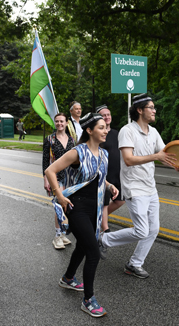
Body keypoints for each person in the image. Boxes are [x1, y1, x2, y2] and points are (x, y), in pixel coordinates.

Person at [98, 94, 179, 279]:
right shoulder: (127, 131)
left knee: (153, 230)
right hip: (134, 188)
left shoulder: (153, 132)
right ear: (139, 110)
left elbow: (164, 153)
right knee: (141, 230)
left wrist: (176, 164)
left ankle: (134, 264)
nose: (154, 111)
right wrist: (156, 157)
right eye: (151, 107)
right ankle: (103, 239)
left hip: (150, 187)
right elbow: (128, 160)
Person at [44, 112, 118, 318]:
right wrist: (59, 195)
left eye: (106, 127)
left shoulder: (104, 154)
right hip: (76, 207)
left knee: (83, 246)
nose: (106, 130)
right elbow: (50, 171)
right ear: (89, 130)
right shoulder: (77, 152)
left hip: (94, 208)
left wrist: (110, 186)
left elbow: (97, 178)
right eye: (101, 127)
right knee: (93, 251)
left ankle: (68, 278)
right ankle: (88, 300)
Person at [42, 113, 75, 249]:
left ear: (67, 123)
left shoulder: (72, 140)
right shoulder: (50, 139)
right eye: (57, 121)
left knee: (67, 206)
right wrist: (46, 179)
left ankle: (63, 234)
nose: (59, 123)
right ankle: (57, 236)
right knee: (59, 206)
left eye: (62, 121)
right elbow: (45, 161)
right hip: (56, 177)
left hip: (70, 177)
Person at [95, 104, 125, 232]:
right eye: (103, 115)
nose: (107, 117)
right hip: (105, 176)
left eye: (108, 114)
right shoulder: (98, 135)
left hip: (118, 174)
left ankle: (99, 218)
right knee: (105, 204)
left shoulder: (116, 133)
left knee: (120, 201)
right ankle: (103, 229)